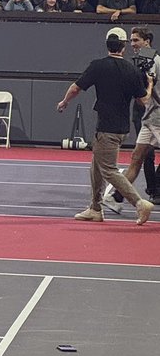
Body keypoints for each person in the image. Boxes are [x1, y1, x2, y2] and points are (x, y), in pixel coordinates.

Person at [57, 26, 153, 224]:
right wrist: (150, 86)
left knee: (108, 169)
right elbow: (144, 101)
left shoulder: (98, 66)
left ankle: (139, 203)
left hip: (106, 128)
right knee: (96, 166)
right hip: (121, 128)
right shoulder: (132, 70)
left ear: (107, 44)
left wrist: (65, 102)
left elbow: (76, 88)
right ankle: (95, 208)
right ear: (123, 46)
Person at [102, 27, 160, 211]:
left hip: (157, 117)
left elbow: (144, 93)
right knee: (137, 158)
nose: (132, 44)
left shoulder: (153, 61)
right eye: (131, 41)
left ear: (147, 42)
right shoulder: (143, 61)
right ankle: (116, 197)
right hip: (149, 118)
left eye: (136, 40)